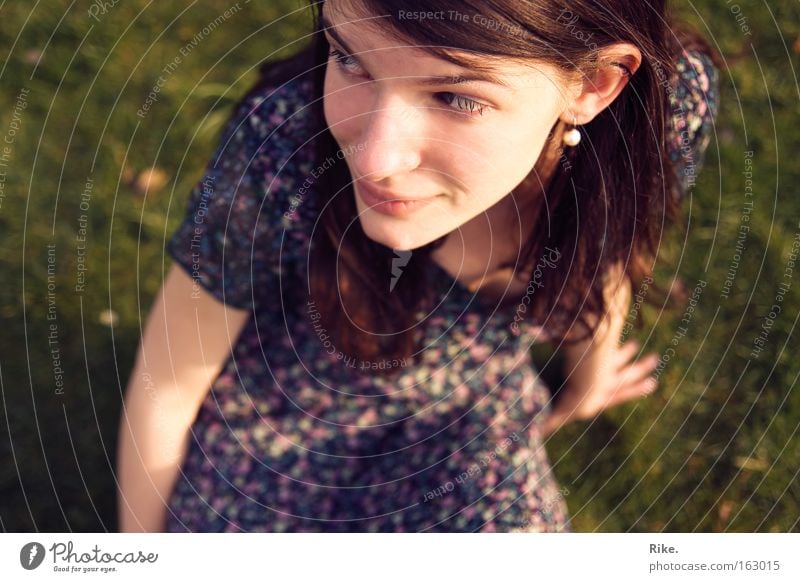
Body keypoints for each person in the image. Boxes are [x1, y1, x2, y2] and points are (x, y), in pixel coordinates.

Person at [117, 0, 720, 532]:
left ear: (595, 85)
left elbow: (610, 247)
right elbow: (168, 385)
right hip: (283, 421)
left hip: (467, 408)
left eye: (456, 97)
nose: (375, 158)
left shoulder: (665, 108)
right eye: (350, 58)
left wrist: (581, 388)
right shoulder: (283, 143)